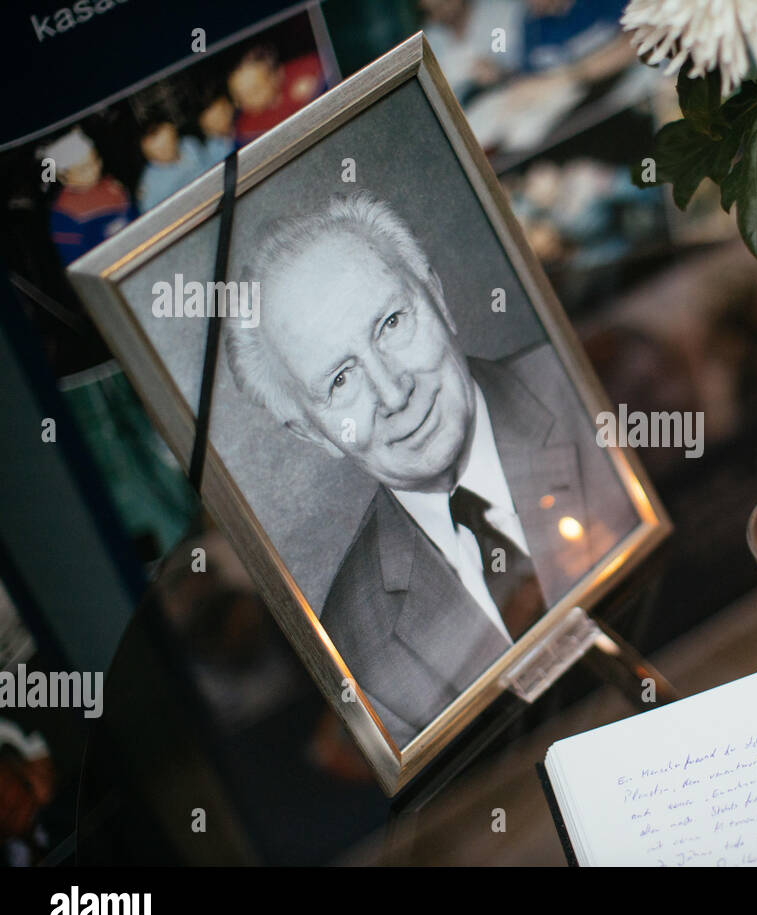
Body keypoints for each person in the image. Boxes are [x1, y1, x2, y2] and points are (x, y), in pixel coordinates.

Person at [224, 192, 634, 744]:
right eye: (340, 381)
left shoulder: (602, 397)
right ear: (311, 432)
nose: (393, 392)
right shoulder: (356, 651)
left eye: (391, 323)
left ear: (437, 298)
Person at [40, 128, 134, 266]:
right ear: (63, 177)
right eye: (83, 169)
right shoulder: (64, 215)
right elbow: (79, 264)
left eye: (95, 161)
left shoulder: (112, 186)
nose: (94, 170)